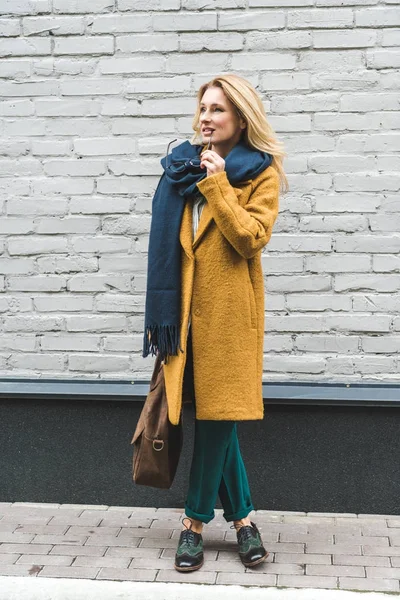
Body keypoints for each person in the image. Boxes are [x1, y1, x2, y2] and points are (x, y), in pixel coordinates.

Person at [143, 74, 288, 572]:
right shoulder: (178, 168)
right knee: (213, 418)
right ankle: (245, 520)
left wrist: (220, 184)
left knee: (218, 417)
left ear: (240, 118)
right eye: (203, 107)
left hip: (228, 321)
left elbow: (251, 239)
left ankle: (194, 523)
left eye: (218, 110)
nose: (206, 117)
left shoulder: (259, 173)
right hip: (181, 318)